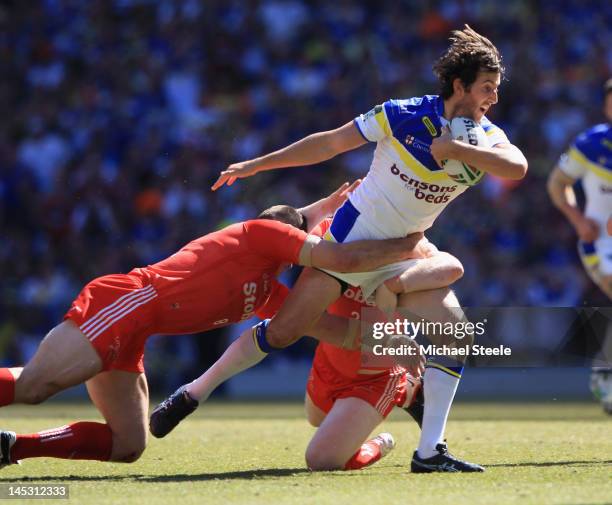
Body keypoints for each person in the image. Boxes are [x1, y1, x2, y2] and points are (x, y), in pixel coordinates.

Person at [153, 24, 528, 473]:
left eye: (497, 89)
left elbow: (517, 167)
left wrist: (455, 149)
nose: (494, 98)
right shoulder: (402, 114)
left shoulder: (484, 136)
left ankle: (430, 451)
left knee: (457, 334)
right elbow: (330, 142)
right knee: (282, 332)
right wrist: (257, 164)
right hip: (345, 249)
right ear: (459, 85)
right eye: (487, 88)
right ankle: (195, 391)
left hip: (403, 253)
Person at [0, 183, 426, 468]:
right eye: (303, 237)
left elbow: (323, 328)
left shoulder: (265, 290)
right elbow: (337, 257)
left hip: (136, 332)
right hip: (126, 301)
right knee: (35, 387)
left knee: (127, 445)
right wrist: (406, 243)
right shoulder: (259, 233)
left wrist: (392, 345)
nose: (307, 247)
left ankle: (13, 447)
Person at [150, 220, 465, 473]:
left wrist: (399, 284)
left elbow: (451, 265)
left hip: (375, 374)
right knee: (316, 416)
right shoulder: (329, 236)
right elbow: (324, 324)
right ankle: (411, 391)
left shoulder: (403, 240)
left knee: (322, 459)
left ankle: (393, 411)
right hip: (331, 359)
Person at [547, 78, 612, 414]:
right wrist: (577, 220)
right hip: (600, 244)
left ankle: (605, 371)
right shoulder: (591, 144)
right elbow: (557, 184)